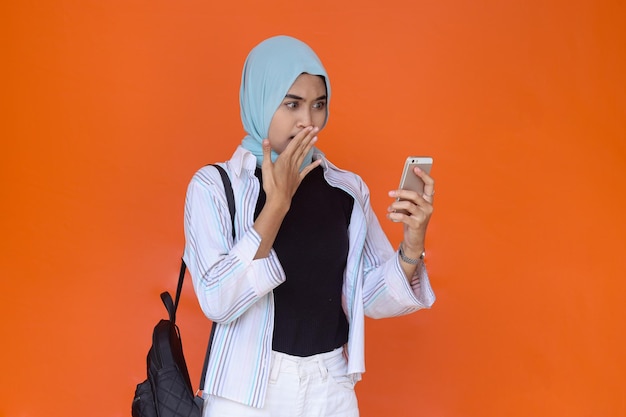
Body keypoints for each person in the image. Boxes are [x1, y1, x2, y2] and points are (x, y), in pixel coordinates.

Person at [183, 35, 436, 417]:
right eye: (292, 104)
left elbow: (369, 297)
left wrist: (412, 245)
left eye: (318, 105)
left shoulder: (346, 190)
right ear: (260, 100)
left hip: (330, 387)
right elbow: (218, 302)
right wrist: (277, 205)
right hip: (247, 391)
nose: (308, 121)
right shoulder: (214, 187)